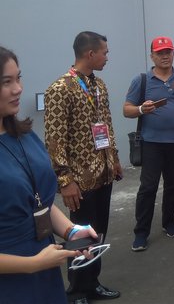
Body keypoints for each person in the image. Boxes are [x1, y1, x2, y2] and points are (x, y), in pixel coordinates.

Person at [0, 46, 99, 304]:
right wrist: (32, 264)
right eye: (6, 82)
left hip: (46, 266)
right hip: (13, 279)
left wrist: (70, 230)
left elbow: (38, 201)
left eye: (18, 78)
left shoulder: (24, 135)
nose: (18, 88)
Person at [45, 32, 122, 304]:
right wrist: (65, 181)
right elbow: (54, 140)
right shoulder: (61, 89)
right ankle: (77, 290)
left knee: (98, 231)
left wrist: (113, 158)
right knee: (79, 235)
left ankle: (92, 284)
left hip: (102, 174)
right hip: (79, 180)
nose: (107, 57)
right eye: (105, 52)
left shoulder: (99, 85)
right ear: (90, 54)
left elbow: (107, 126)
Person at [123, 36, 174, 251]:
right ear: (152, 56)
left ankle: (169, 222)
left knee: (173, 185)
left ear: (173, 53)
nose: (165, 56)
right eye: (160, 53)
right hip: (151, 143)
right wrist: (141, 109)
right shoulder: (142, 80)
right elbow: (126, 109)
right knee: (148, 187)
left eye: (168, 52)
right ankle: (141, 232)